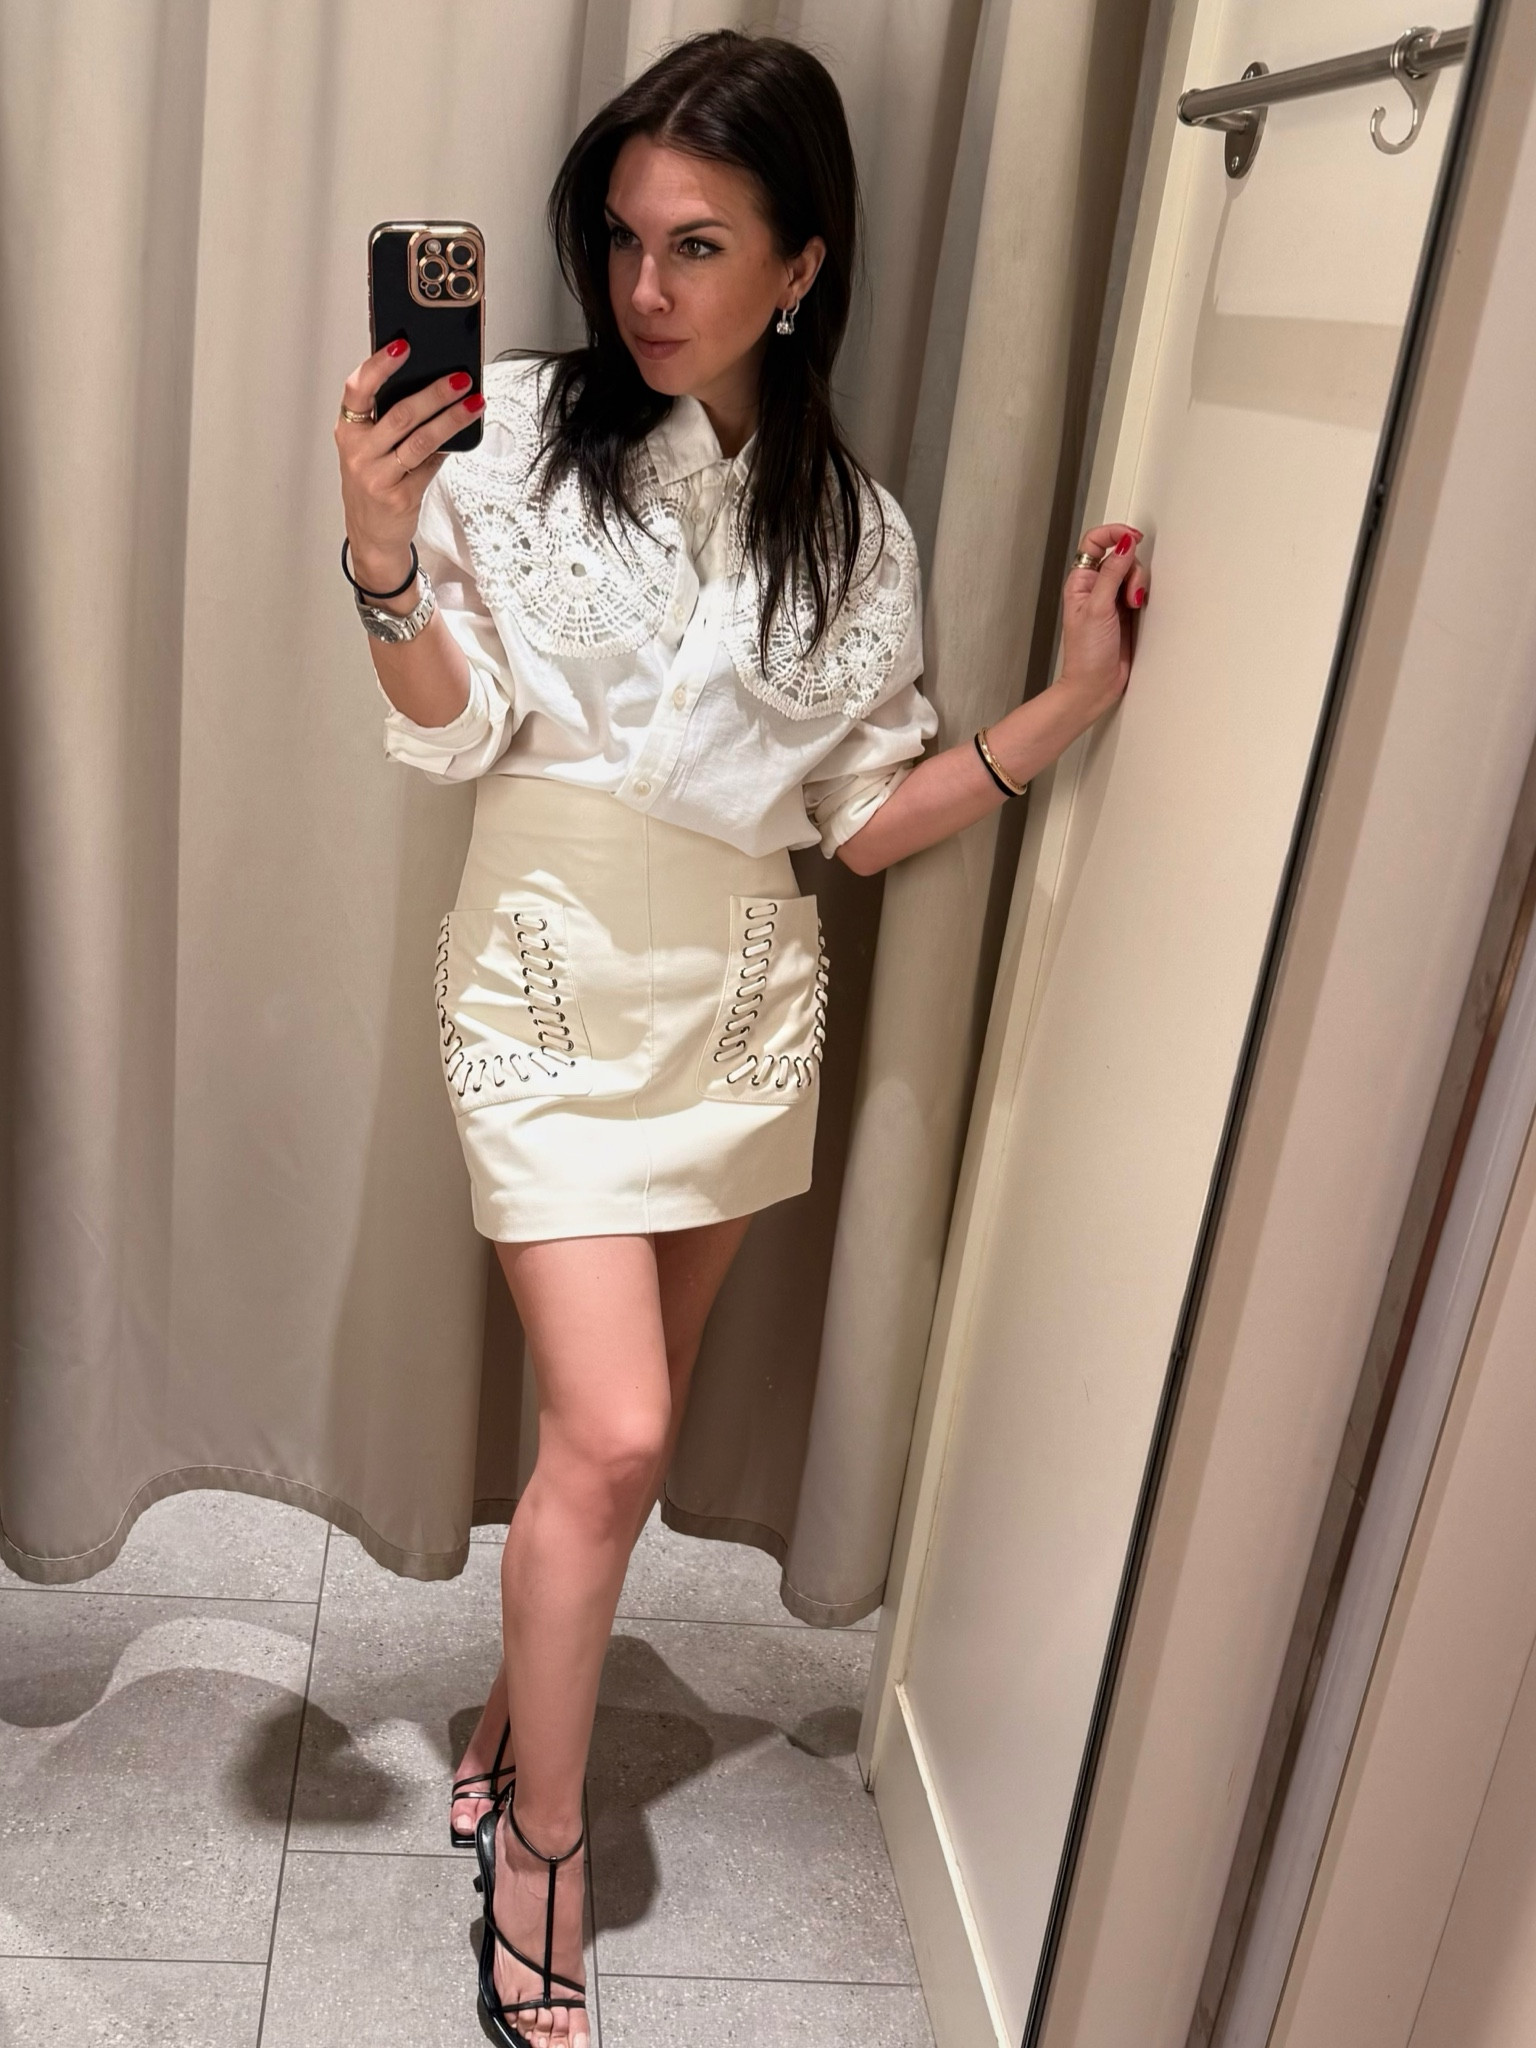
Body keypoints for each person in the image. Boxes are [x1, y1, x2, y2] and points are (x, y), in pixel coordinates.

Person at [334, 29, 1146, 2048]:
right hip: (544, 970)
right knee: (613, 1432)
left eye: (698, 245)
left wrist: (1062, 709)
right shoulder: (509, 435)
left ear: (803, 264)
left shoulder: (851, 528)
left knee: (617, 1450)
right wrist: (379, 556)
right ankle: (543, 1847)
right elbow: (455, 728)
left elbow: (859, 820)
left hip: (737, 996)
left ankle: (520, 1727)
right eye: (623, 239)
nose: (645, 286)